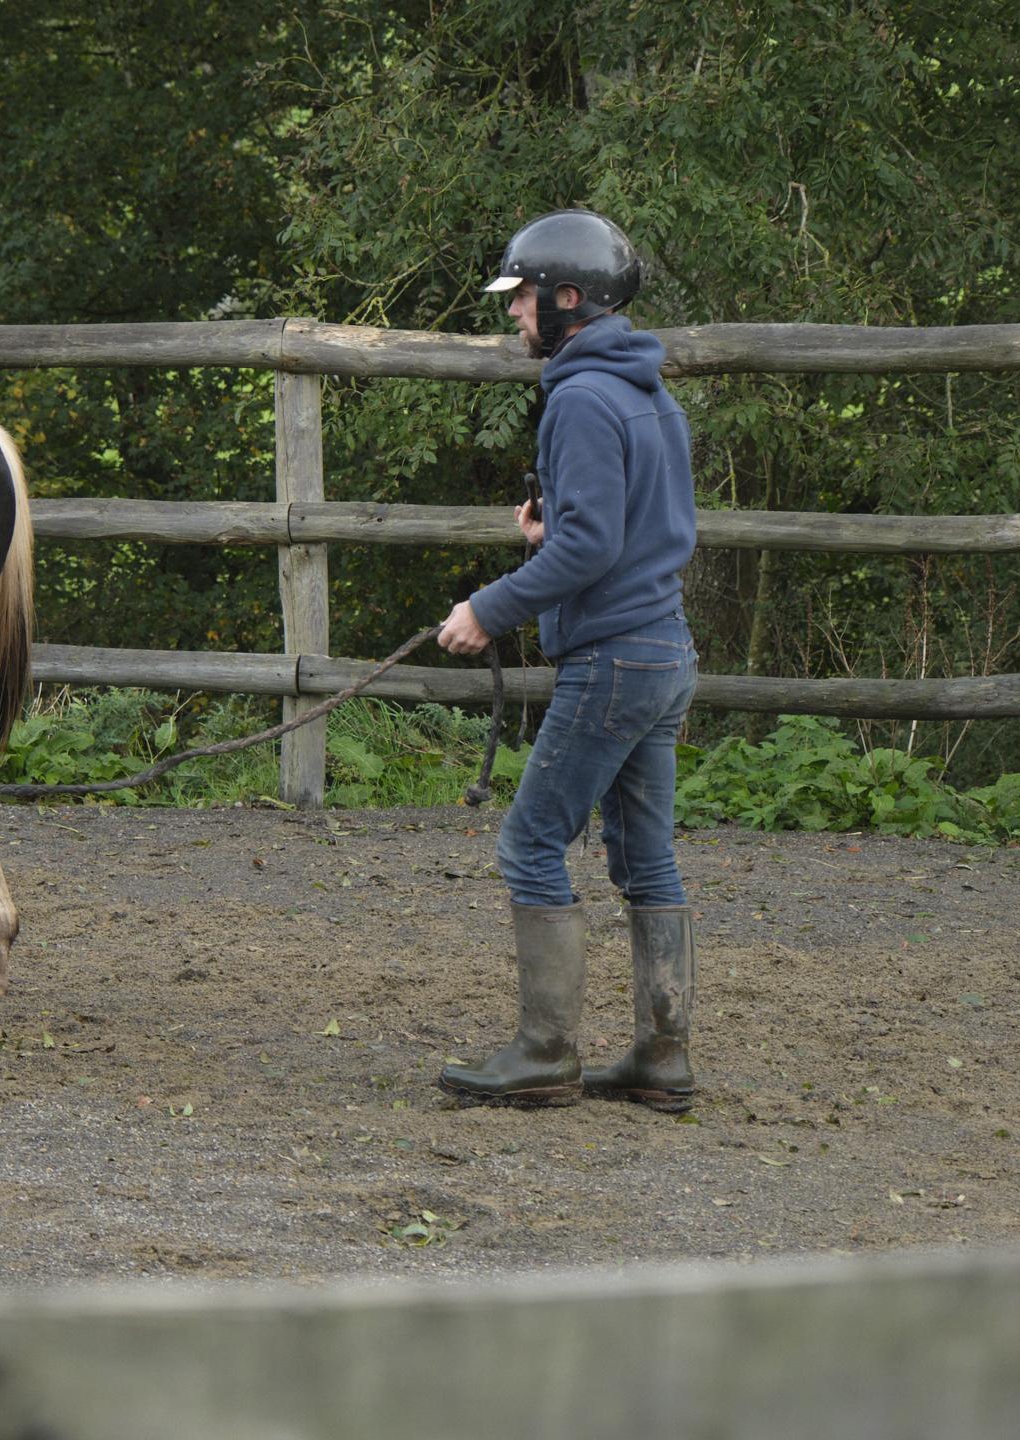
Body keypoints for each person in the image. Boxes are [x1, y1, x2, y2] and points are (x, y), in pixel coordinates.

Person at [434, 209, 702, 1111]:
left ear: (569, 299)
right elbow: (632, 530)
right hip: (663, 652)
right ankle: (663, 1057)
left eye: (522, 299)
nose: (513, 315)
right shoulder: (646, 394)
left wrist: (488, 608)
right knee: (646, 859)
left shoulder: (582, 397)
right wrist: (551, 533)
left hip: (616, 661)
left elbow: (589, 551)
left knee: (530, 843)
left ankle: (546, 1050)